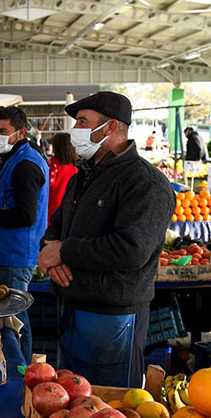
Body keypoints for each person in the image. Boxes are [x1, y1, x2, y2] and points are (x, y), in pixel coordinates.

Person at [38, 91, 175, 388]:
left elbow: (131, 249)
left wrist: (65, 251)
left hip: (111, 316)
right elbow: (57, 225)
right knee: (71, 398)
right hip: (71, 304)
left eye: (83, 122)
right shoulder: (82, 177)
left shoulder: (145, 183)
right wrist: (50, 253)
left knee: (107, 401)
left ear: (111, 127)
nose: (75, 130)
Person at [0, 106, 48, 362]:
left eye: (3, 131)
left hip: (15, 254)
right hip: (5, 251)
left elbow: (25, 215)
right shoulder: (13, 159)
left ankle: (23, 372)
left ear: (21, 132)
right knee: (10, 318)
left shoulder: (26, 164)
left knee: (16, 320)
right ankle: (16, 368)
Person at [47, 133, 78, 223]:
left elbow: (49, 182)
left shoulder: (54, 163)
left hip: (53, 202)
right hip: (69, 203)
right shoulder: (75, 165)